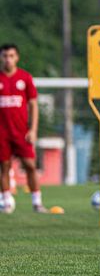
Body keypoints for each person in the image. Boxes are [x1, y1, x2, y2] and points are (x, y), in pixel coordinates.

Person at [0, 43, 47, 213]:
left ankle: (37, 202)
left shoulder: (25, 78)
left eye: (11, 56)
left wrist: (33, 130)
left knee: (30, 165)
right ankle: (6, 202)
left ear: (17, 58)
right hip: (2, 133)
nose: (8, 59)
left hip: (22, 132)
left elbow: (33, 105)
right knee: (4, 167)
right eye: (5, 56)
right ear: (1, 57)